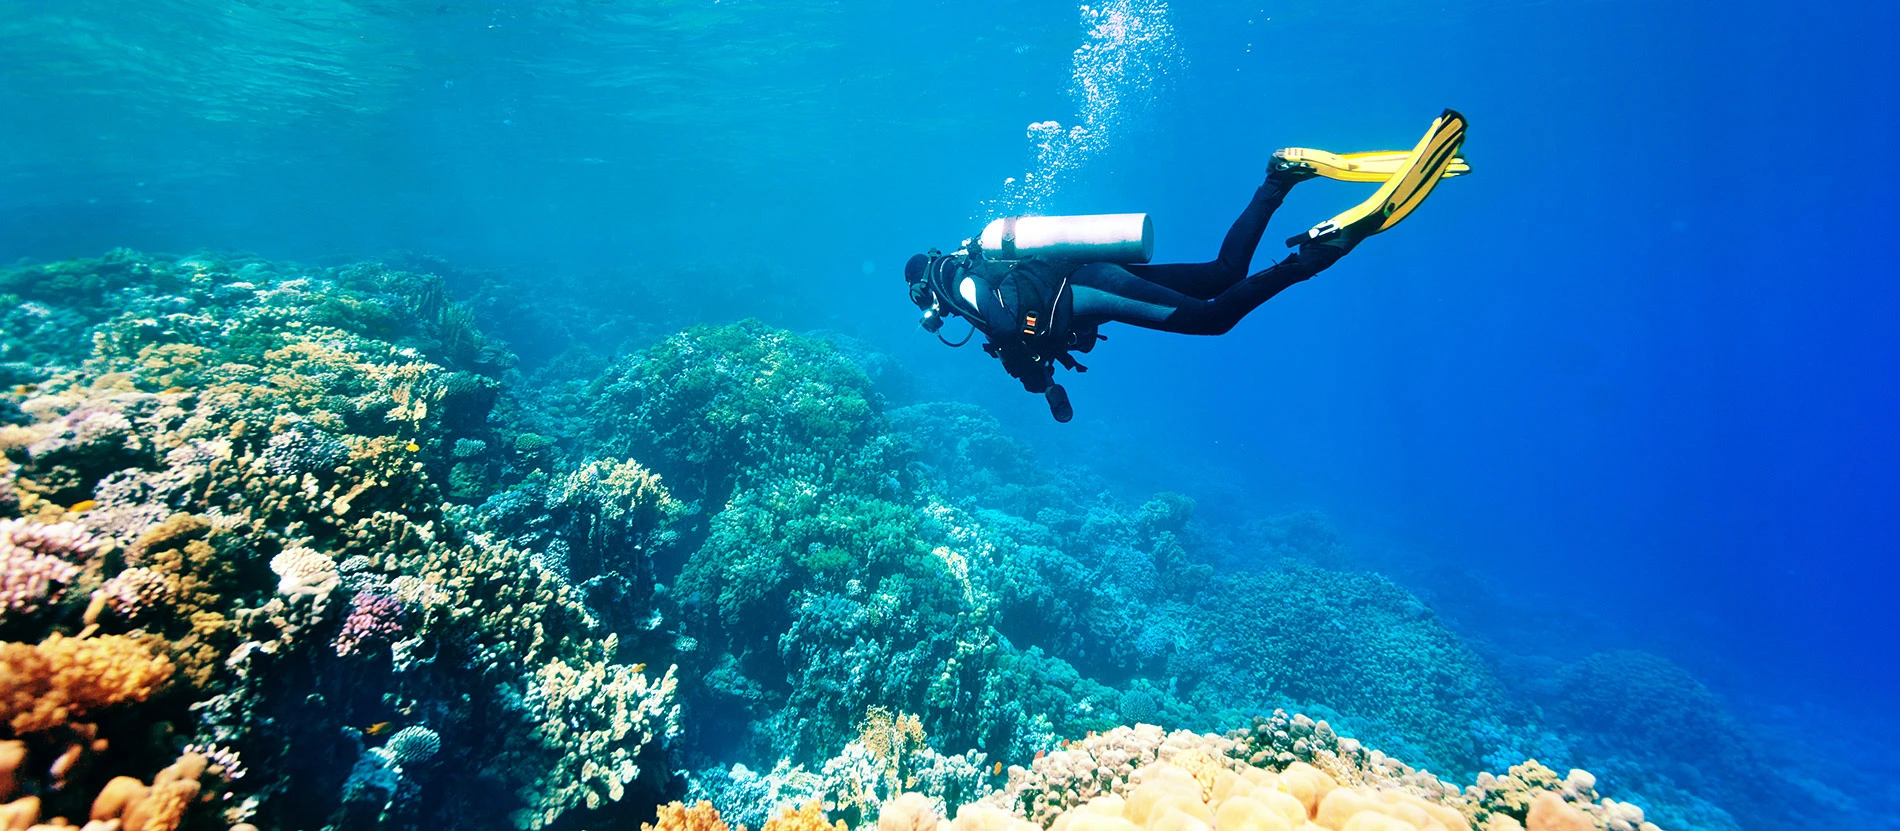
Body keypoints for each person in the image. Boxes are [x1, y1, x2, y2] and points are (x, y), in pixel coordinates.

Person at [903, 110, 1468, 422]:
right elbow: (1016, 332)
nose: (930, 313)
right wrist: (1043, 382)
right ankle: (1278, 178)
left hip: (1086, 288)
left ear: (924, 287)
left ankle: (1319, 252)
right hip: (1086, 281)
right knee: (1222, 274)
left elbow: (1005, 325)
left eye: (921, 302)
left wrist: (1022, 362)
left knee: (1212, 318)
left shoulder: (957, 283)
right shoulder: (970, 268)